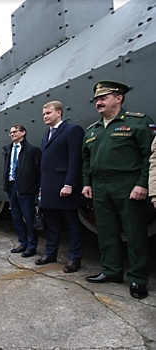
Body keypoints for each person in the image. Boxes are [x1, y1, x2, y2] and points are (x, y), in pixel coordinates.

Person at [82, 80, 153, 300]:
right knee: (106, 230)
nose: (99, 103)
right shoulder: (92, 130)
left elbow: (149, 156)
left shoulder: (138, 123)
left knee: (134, 232)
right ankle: (112, 271)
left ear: (119, 98)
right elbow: (86, 159)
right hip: (100, 186)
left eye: (103, 98)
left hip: (128, 184)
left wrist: (142, 183)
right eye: (96, 99)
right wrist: (87, 183)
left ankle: (138, 278)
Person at [36, 101, 84, 272]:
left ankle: (74, 258)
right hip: (49, 187)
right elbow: (45, 164)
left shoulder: (72, 130)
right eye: (44, 114)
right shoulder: (46, 135)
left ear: (59, 112)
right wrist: (42, 187)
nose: (45, 116)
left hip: (64, 186)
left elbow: (75, 159)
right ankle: (51, 253)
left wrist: (69, 183)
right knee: (51, 223)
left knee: (72, 224)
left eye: (48, 113)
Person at [3, 125, 41, 258]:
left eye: (14, 132)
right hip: (12, 186)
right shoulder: (8, 149)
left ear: (23, 132)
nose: (12, 134)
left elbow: (37, 171)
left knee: (29, 217)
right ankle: (23, 242)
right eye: (10, 132)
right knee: (16, 217)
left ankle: (32, 246)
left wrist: (38, 188)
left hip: (26, 188)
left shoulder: (32, 150)